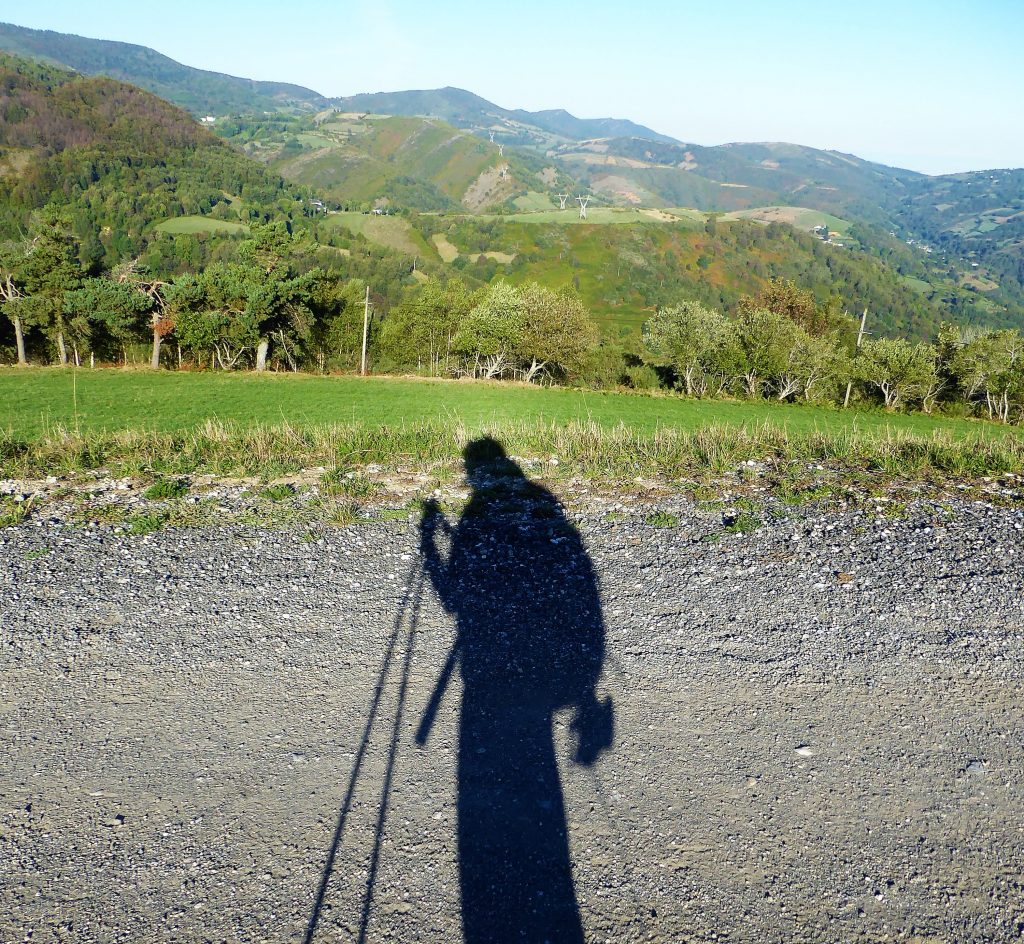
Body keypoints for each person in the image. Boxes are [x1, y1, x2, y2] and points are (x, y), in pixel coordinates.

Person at [416, 437, 613, 943]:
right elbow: (582, 598)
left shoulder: (478, 518)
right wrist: (586, 683)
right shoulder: (557, 525)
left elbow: (453, 595)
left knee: (497, 766)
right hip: (537, 670)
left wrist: (428, 542)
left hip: (485, 667)